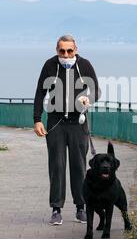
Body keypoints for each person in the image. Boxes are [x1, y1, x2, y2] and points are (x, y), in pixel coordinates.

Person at [33, 35, 101, 226]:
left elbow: (96, 90)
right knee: (57, 166)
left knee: (79, 166)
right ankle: (56, 209)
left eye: (69, 51)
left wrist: (89, 99)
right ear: (57, 50)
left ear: (76, 49)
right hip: (56, 122)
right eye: (62, 51)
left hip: (78, 123)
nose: (66, 54)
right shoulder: (49, 65)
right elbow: (40, 92)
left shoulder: (84, 65)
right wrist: (37, 120)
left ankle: (81, 207)